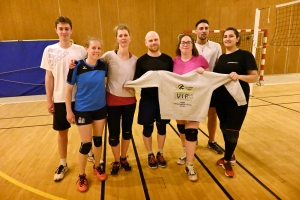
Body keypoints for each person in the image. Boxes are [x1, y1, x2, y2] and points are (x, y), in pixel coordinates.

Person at [40, 16, 86, 182]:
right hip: (60, 98)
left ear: (71, 30)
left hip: (80, 98)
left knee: (85, 130)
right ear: (56, 30)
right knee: (62, 133)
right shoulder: (49, 50)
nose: (64, 31)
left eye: (67, 28)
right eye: (61, 29)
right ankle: (63, 163)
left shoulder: (81, 50)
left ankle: (91, 155)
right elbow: (49, 77)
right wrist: (49, 99)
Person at [213, 27, 258, 177]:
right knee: (224, 128)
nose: (227, 39)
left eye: (231, 36)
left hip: (237, 101)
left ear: (237, 38)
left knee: (233, 132)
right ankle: (230, 155)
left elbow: (255, 77)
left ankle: (227, 160)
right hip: (221, 101)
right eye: (225, 36)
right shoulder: (221, 58)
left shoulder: (245, 55)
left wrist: (239, 76)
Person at [65, 38, 107, 192]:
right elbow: (68, 90)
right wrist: (69, 110)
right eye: (93, 48)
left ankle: (97, 166)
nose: (96, 50)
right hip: (83, 109)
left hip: (100, 108)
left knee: (97, 140)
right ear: (87, 49)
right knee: (86, 144)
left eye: (99, 48)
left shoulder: (103, 65)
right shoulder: (77, 66)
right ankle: (81, 175)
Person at [101, 24, 137, 176]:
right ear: (117, 38)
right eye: (120, 35)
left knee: (127, 132)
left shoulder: (135, 60)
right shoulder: (109, 56)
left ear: (130, 38)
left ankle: (123, 158)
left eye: (125, 35)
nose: (123, 38)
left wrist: (135, 86)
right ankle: (116, 160)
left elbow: (140, 80)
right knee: (114, 134)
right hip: (112, 102)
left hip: (130, 102)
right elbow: (93, 65)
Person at [135, 31, 173, 169]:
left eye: (155, 39)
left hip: (164, 100)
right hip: (147, 101)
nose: (153, 42)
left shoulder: (168, 60)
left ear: (159, 40)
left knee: (162, 127)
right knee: (147, 129)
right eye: (150, 40)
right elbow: (136, 81)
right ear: (146, 43)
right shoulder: (141, 61)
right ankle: (150, 154)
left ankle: (160, 152)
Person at [173, 34, 209, 181]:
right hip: (179, 100)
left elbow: (209, 76)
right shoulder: (174, 61)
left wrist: (204, 72)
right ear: (179, 45)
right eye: (183, 42)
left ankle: (190, 164)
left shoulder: (200, 59)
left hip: (195, 101)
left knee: (192, 130)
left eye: (188, 42)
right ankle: (184, 150)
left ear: (193, 45)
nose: (185, 44)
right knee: (181, 127)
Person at [194, 19, 223, 154]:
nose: (204, 30)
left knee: (212, 114)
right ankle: (193, 140)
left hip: (211, 85)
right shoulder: (190, 47)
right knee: (195, 115)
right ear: (196, 31)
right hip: (195, 86)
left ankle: (211, 141)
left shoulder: (216, 46)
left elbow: (219, 65)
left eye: (206, 28)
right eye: (201, 28)